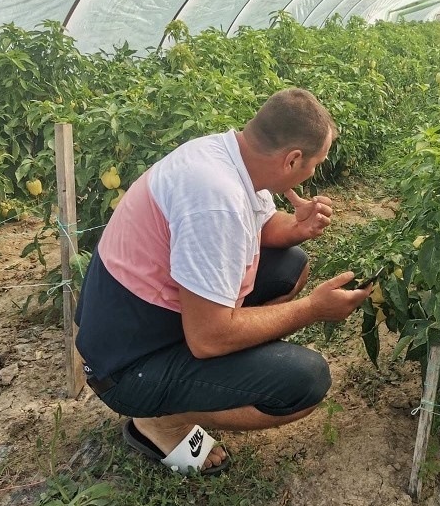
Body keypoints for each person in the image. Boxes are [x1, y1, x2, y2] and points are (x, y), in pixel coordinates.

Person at [74, 88, 372, 476]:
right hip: (127, 364)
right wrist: (312, 310)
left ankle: (218, 369)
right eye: (316, 163)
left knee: (290, 265)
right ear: (293, 159)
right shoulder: (216, 200)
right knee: (305, 382)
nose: (314, 173)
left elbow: (264, 227)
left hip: (145, 319)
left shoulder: (229, 156)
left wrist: (299, 226)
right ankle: (159, 419)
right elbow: (208, 337)